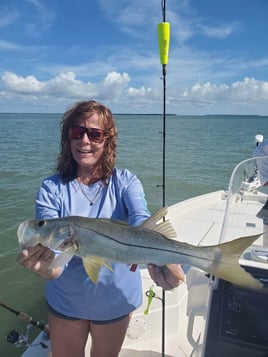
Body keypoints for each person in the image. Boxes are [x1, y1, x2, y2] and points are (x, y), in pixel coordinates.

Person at [17, 100, 184, 357]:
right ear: (67, 138)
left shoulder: (126, 182)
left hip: (115, 300)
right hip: (66, 302)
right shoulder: (51, 188)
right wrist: (47, 271)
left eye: (94, 134)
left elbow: (141, 217)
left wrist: (168, 260)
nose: (84, 140)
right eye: (77, 132)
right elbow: (55, 254)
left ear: (108, 140)